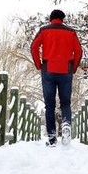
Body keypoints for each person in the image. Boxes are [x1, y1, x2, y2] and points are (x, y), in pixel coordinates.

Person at [31, 9, 82, 146]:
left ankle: (52, 138)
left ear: (51, 19)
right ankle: (66, 126)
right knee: (65, 103)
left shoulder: (44, 30)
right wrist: (73, 67)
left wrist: (39, 65)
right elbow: (78, 51)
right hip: (65, 71)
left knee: (49, 105)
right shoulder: (71, 32)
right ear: (62, 19)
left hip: (48, 71)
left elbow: (34, 47)